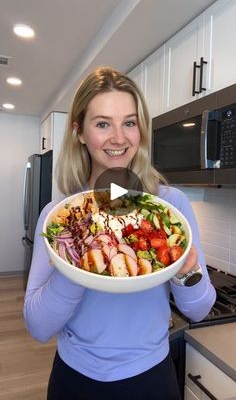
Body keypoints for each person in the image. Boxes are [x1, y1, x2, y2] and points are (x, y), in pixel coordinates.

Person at [24, 66, 216, 400]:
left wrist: (187, 271)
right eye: (102, 124)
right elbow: (39, 328)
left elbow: (200, 311)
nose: (119, 137)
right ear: (79, 132)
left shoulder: (170, 207)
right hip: (75, 379)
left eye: (129, 122)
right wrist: (75, 260)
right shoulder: (62, 217)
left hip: (151, 379)